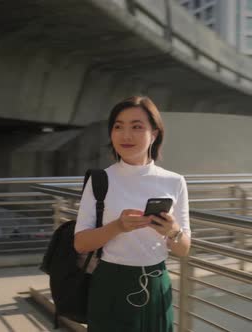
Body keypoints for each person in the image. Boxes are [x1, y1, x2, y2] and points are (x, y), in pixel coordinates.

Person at [74, 96, 191, 331]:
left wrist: (172, 231)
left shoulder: (175, 181)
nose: (125, 135)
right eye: (118, 127)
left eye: (137, 127)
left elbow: (183, 248)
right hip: (110, 281)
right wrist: (117, 226)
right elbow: (80, 243)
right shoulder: (100, 180)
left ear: (155, 134)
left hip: (157, 282)